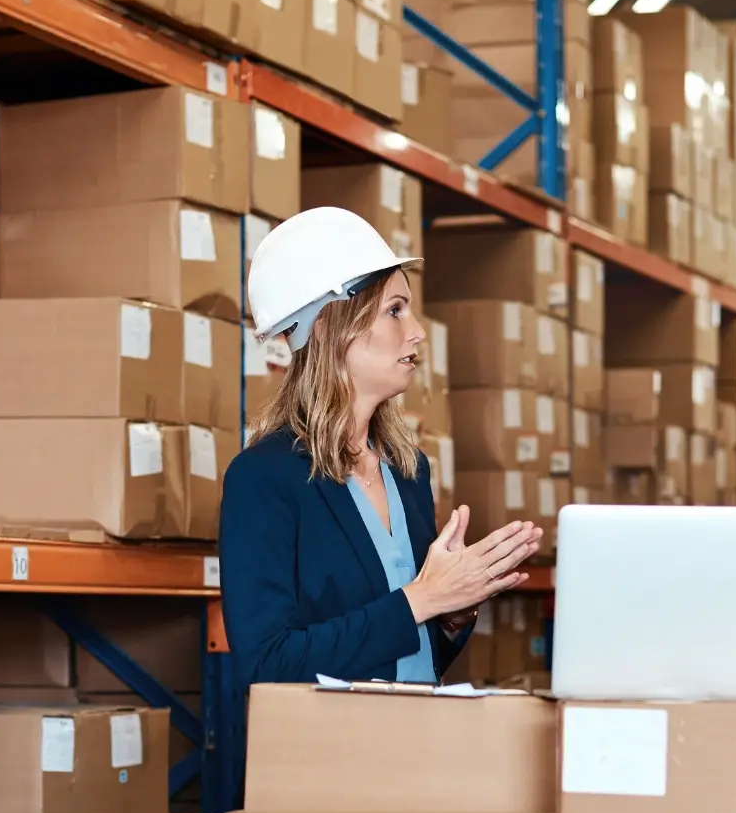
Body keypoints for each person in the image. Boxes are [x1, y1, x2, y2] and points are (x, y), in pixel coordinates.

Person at [221, 207, 543, 684]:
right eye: (395, 310)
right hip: (329, 754)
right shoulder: (264, 479)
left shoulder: (409, 470)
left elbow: (412, 658)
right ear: (329, 327)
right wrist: (422, 598)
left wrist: (454, 610)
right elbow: (265, 663)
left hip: (415, 744)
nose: (416, 330)